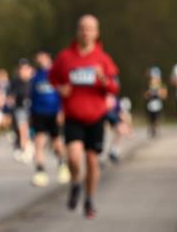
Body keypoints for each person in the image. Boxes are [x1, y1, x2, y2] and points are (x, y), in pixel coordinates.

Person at [49, 14, 120, 219]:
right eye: (82, 28)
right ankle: (75, 183)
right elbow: (52, 80)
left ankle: (89, 199)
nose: (85, 32)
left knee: (92, 160)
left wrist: (103, 79)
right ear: (77, 31)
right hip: (73, 115)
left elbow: (114, 87)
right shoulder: (65, 57)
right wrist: (60, 88)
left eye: (89, 29)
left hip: (96, 116)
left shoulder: (103, 59)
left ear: (96, 33)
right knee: (73, 156)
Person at [29, 51, 68, 186]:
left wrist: (61, 111)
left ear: (48, 57)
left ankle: (62, 165)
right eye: (37, 58)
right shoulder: (35, 76)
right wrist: (31, 114)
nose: (40, 60)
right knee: (39, 142)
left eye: (42, 58)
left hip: (54, 112)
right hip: (38, 112)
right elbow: (32, 96)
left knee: (56, 142)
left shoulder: (56, 73)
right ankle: (40, 171)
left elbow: (63, 94)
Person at [9, 59, 34, 163]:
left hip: (33, 108)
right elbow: (11, 96)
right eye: (21, 69)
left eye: (25, 69)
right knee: (22, 129)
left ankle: (29, 146)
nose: (23, 71)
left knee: (31, 131)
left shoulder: (34, 81)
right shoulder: (15, 82)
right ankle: (25, 149)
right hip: (20, 109)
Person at [144, 68, 167, 139]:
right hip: (150, 105)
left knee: (157, 118)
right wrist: (149, 94)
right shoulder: (148, 86)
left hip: (158, 105)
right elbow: (145, 96)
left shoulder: (161, 86)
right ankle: (152, 128)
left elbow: (164, 95)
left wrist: (159, 93)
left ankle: (156, 129)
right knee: (151, 119)